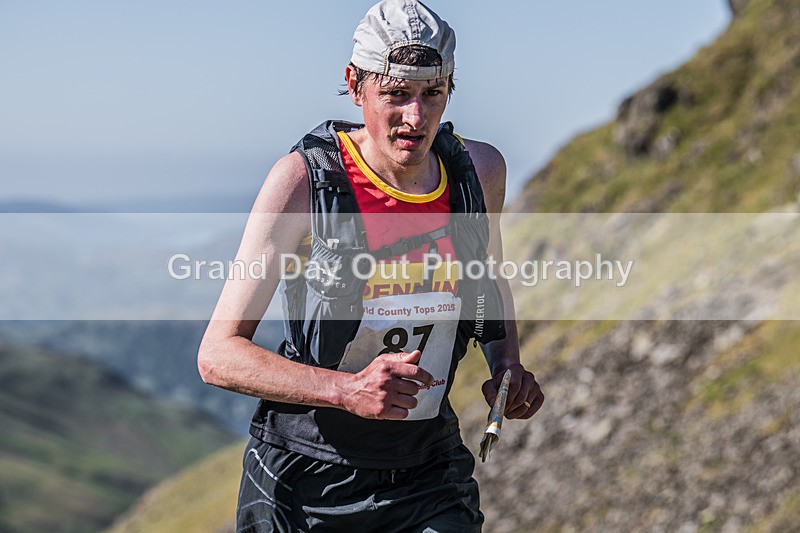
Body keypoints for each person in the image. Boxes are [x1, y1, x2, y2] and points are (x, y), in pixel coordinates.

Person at [198, 1, 544, 531]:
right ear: (354, 84)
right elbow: (218, 355)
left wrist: (505, 364)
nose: (415, 118)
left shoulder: (477, 170)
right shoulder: (302, 182)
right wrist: (346, 390)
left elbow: (487, 280)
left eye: (433, 94)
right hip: (307, 477)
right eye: (396, 95)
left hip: (427, 467)